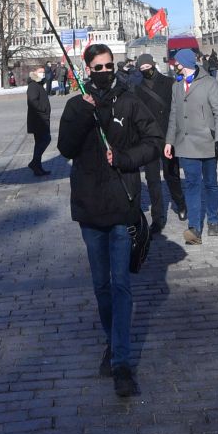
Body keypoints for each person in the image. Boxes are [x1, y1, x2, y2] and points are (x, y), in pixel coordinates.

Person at [58, 42, 159, 398]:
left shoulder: (130, 101)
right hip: (89, 206)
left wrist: (127, 158)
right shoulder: (76, 105)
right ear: (87, 70)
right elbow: (65, 148)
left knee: (121, 286)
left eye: (108, 66)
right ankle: (112, 339)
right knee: (101, 286)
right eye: (97, 68)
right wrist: (81, 114)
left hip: (121, 204)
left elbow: (153, 140)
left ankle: (121, 363)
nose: (104, 72)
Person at [165, 47, 218, 244]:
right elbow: (173, 115)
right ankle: (194, 228)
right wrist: (169, 141)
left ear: (184, 63)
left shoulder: (209, 83)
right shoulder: (176, 86)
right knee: (192, 184)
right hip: (185, 144)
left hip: (208, 143)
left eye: (177, 62)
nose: (175, 65)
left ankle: (214, 220)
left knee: (210, 183)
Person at [134, 56, 182, 231]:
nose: (146, 69)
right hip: (148, 140)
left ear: (154, 65)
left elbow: (177, 108)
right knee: (152, 180)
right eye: (142, 67)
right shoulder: (137, 88)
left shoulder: (169, 82)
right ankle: (158, 217)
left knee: (172, 174)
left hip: (168, 135)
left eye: (148, 65)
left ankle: (180, 203)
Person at [26, 67, 52, 177]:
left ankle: (37, 167)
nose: (43, 74)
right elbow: (32, 100)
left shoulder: (39, 84)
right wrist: (43, 109)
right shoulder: (33, 85)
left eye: (43, 72)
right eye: (40, 72)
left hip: (41, 119)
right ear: (35, 73)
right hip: (38, 119)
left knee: (39, 143)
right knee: (46, 139)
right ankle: (34, 163)